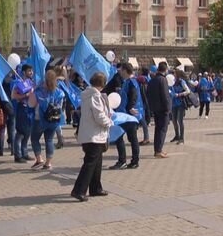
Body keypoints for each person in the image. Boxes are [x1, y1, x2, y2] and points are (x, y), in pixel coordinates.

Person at [71, 72, 113, 202]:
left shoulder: (88, 94)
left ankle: (95, 188)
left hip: (93, 134)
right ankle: (79, 190)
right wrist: (109, 122)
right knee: (89, 164)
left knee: (96, 163)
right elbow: (99, 116)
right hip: (94, 135)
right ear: (102, 84)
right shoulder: (94, 96)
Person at [29, 70, 65, 170]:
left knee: (35, 139)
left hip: (39, 119)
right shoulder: (59, 92)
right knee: (49, 140)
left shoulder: (39, 92)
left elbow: (31, 104)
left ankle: (39, 159)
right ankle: (48, 163)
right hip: (54, 120)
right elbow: (61, 107)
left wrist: (32, 93)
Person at [109, 63, 143, 169]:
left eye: (121, 70)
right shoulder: (127, 81)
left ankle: (129, 161)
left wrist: (130, 108)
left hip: (128, 116)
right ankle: (129, 161)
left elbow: (133, 96)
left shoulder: (132, 82)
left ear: (125, 70)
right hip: (124, 114)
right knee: (128, 138)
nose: (120, 72)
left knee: (125, 138)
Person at [147, 61, 172, 158]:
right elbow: (165, 96)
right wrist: (167, 108)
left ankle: (157, 149)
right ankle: (158, 151)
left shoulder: (153, 79)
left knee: (158, 129)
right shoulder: (163, 79)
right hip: (163, 109)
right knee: (162, 129)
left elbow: (148, 93)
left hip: (155, 108)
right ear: (166, 70)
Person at [11, 64, 35, 163]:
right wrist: (26, 95)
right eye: (29, 71)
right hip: (22, 109)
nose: (31, 73)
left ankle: (24, 153)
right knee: (20, 133)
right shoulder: (18, 83)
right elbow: (13, 96)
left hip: (30, 110)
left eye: (31, 71)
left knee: (27, 132)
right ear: (24, 72)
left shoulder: (31, 83)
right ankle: (17, 155)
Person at [170, 70, 190, 144]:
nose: (173, 74)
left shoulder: (182, 82)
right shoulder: (172, 81)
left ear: (178, 74)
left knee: (180, 121)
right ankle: (177, 135)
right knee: (174, 120)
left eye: (174, 73)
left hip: (180, 104)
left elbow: (188, 91)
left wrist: (179, 94)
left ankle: (182, 138)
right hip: (174, 103)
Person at [137, 68, 150, 146]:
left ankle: (146, 138)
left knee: (143, 120)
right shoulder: (147, 79)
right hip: (144, 103)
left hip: (141, 103)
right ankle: (146, 137)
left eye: (139, 70)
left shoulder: (142, 79)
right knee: (143, 121)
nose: (138, 71)